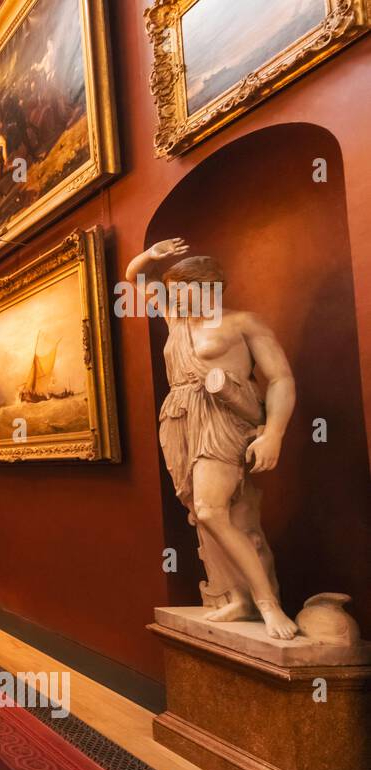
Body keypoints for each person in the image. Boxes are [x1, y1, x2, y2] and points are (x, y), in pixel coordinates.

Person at [127, 239, 298, 639]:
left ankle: (268, 604)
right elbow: (134, 279)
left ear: (208, 287)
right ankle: (237, 597)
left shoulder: (243, 323)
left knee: (210, 509)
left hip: (222, 418)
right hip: (180, 419)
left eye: (183, 290)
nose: (175, 297)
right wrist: (150, 256)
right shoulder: (176, 319)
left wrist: (274, 433)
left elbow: (280, 379)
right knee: (204, 514)